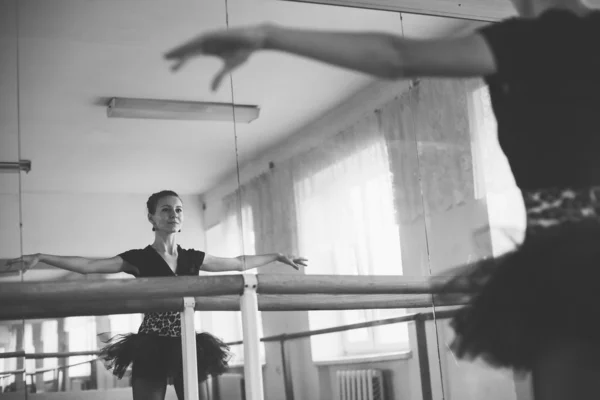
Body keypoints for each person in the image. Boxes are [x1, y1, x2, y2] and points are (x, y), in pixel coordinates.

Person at [163, 2, 600, 399]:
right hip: (564, 259)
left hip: (569, 262)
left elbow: (398, 57)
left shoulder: (523, 42)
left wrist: (268, 35)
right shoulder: (535, 40)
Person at [6, 190, 307, 400]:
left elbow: (238, 263)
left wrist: (277, 256)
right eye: (165, 209)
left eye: (178, 210)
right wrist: (42, 256)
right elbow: (88, 266)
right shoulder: (138, 257)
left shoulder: (193, 257)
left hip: (187, 341)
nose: (173, 214)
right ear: (151, 218)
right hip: (151, 342)